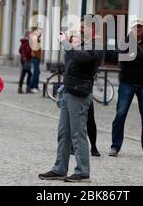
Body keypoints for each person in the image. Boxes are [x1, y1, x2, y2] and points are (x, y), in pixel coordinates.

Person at [39, 15, 103, 183]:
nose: (81, 30)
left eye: (84, 27)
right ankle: (60, 168)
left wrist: (66, 43)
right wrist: (69, 43)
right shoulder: (83, 44)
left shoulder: (97, 46)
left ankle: (82, 172)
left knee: (78, 134)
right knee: (63, 133)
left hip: (79, 93)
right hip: (69, 90)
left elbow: (80, 58)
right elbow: (71, 59)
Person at [110, 18, 143, 159]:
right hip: (127, 82)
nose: (138, 29)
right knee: (120, 114)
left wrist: (137, 55)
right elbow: (123, 57)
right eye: (135, 27)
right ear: (131, 28)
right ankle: (115, 146)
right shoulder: (124, 42)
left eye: (140, 26)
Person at [69, 32, 100, 157]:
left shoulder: (86, 49)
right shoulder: (71, 53)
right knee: (71, 120)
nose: (75, 41)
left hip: (85, 88)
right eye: (72, 40)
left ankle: (94, 146)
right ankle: (72, 145)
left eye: (76, 39)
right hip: (72, 88)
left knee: (90, 119)